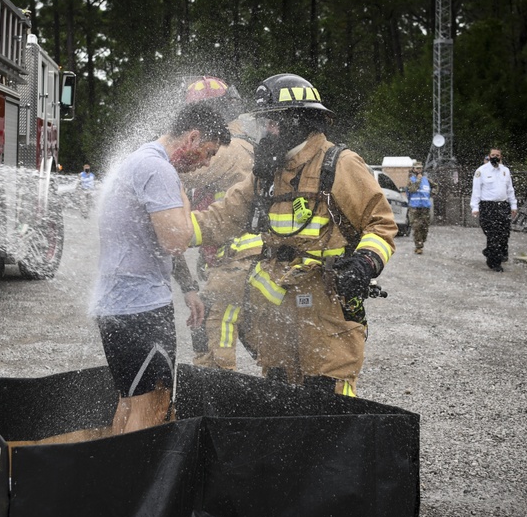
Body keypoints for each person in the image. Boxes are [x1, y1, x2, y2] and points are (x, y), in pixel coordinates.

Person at [191, 73, 396, 397]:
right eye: (263, 124)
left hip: (328, 307)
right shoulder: (268, 173)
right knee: (280, 396)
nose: (265, 132)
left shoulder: (339, 163)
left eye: (271, 122)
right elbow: (219, 219)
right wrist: (169, 230)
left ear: (298, 119)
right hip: (277, 313)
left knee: (328, 401)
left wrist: (365, 263)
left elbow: (381, 224)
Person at [92, 101, 231, 434]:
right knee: (153, 405)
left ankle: (120, 478)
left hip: (119, 306)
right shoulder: (159, 169)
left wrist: (188, 287)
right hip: (141, 309)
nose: (206, 164)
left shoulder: (140, 160)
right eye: (209, 153)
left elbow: (156, 240)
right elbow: (175, 240)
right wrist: (184, 195)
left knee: (129, 404)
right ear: (193, 138)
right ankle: (139, 482)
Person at [177, 76, 260, 371]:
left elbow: (189, 172)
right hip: (222, 259)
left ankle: (223, 395)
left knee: (216, 332)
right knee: (207, 330)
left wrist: (160, 156)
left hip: (236, 259)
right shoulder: (230, 142)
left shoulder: (232, 147)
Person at [470, 148, 517, 272]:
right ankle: (494, 261)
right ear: (489, 156)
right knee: (493, 234)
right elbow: (476, 190)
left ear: (501, 157)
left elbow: (510, 189)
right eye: (492, 155)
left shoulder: (505, 171)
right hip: (488, 207)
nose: (495, 157)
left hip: (503, 206)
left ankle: (493, 252)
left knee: (504, 234)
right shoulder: (481, 171)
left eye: (497, 155)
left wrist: (513, 205)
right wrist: (475, 207)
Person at [405, 160, 433, 254]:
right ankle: (418, 246)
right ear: (413, 169)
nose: (419, 170)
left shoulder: (426, 180)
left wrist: (432, 193)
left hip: (425, 207)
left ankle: (422, 241)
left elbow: (435, 186)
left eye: (420, 168)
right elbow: (412, 190)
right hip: (414, 207)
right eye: (417, 168)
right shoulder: (411, 180)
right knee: (416, 227)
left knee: (425, 227)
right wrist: (418, 180)